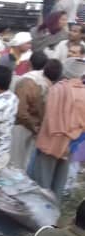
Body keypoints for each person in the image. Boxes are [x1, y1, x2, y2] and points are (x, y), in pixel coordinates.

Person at [30, 58, 85, 199]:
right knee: (59, 183)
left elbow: (50, 117)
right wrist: (72, 138)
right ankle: (53, 208)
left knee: (42, 183)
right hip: (70, 145)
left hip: (50, 142)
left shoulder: (57, 89)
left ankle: (39, 210)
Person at [10, 55, 61, 171]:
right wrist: (34, 126)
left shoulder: (48, 85)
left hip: (33, 129)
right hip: (21, 126)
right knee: (15, 163)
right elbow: (21, 112)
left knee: (24, 164)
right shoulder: (30, 82)